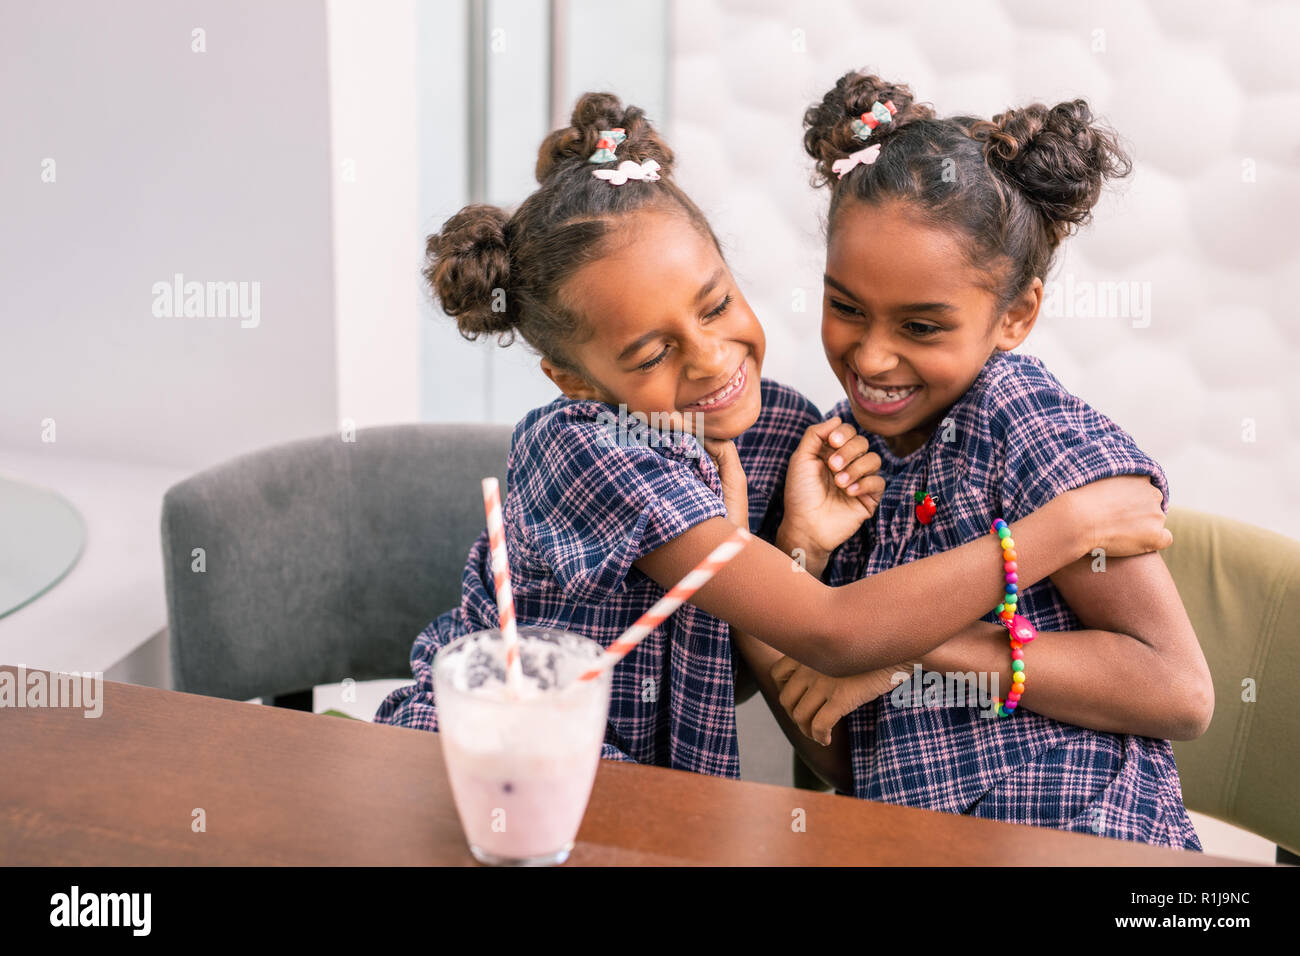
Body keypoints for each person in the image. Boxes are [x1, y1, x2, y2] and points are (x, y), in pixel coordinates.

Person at [375, 91, 1175, 791]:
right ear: (572, 378)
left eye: (717, 305)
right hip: (501, 756)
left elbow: (805, 670)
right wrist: (1064, 529)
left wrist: (799, 543)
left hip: (643, 799)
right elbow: (830, 633)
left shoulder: (784, 437)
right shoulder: (590, 449)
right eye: (651, 353)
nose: (711, 358)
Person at [765, 70, 1212, 848]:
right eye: (845, 308)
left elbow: (1178, 690)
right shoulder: (841, 464)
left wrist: (903, 647)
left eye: (922, 327)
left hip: (1087, 838)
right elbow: (835, 747)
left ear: (1015, 315)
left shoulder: (1018, 421)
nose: (871, 357)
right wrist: (796, 557)